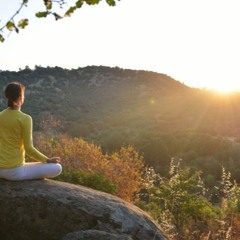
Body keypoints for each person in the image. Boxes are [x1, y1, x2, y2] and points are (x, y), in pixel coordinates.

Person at [0, 82, 62, 181]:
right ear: (20, 97)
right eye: (23, 94)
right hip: (14, 172)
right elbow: (29, 149)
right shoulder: (25, 118)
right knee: (57, 168)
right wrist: (47, 160)